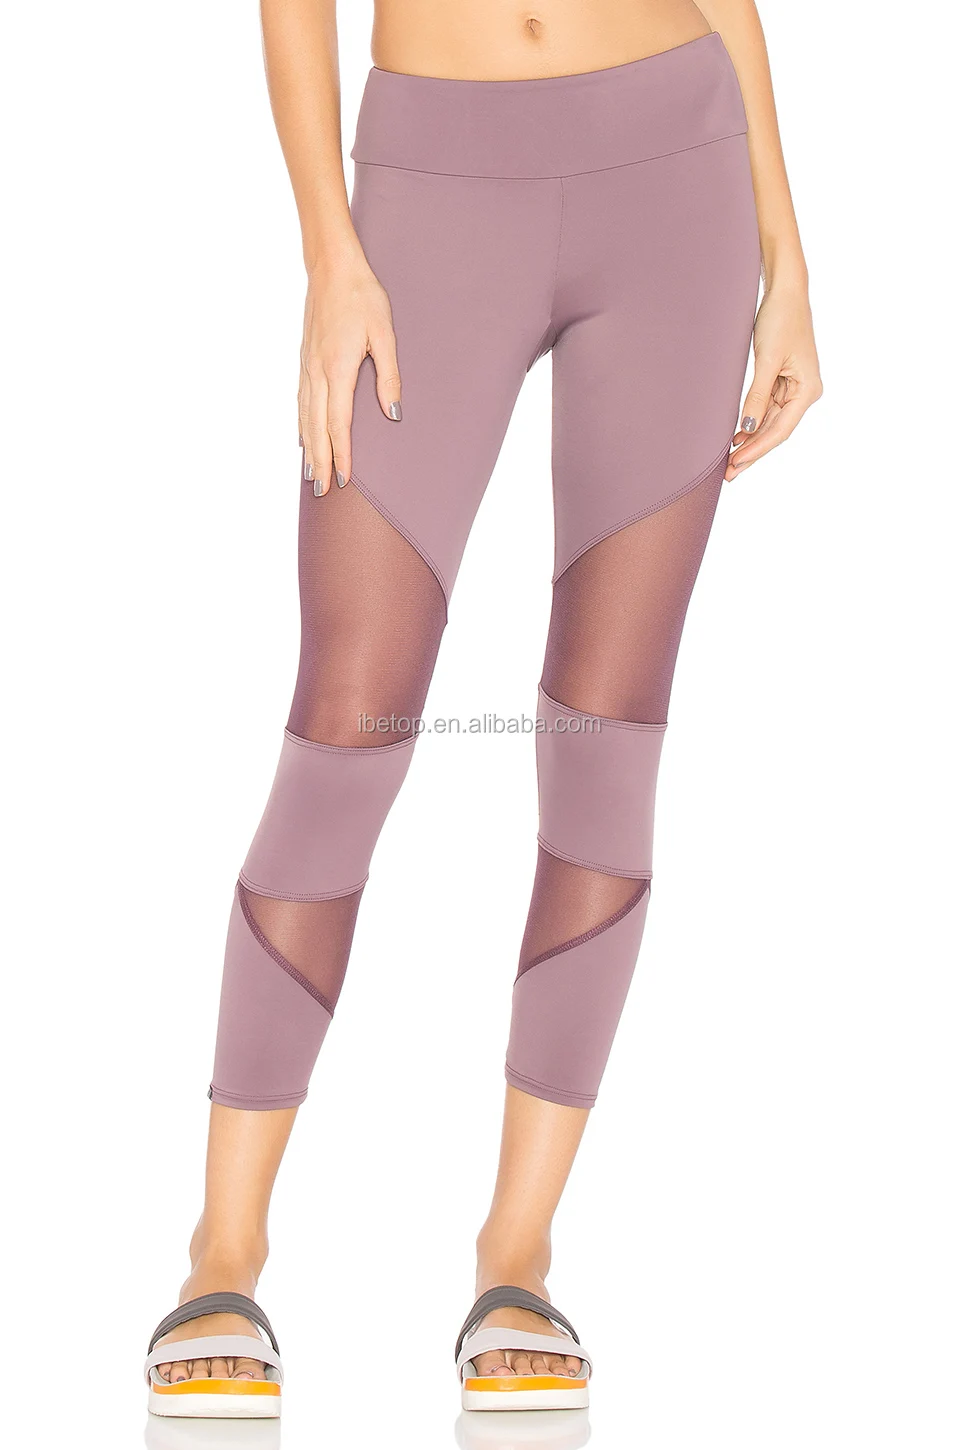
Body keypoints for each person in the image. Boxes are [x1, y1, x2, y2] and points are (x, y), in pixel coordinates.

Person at [144, 0, 821, 1418]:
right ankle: (224, 1250)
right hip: (432, 177)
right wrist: (330, 251)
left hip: (677, 168)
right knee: (346, 728)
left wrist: (789, 254)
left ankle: (517, 1253)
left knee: (607, 741)